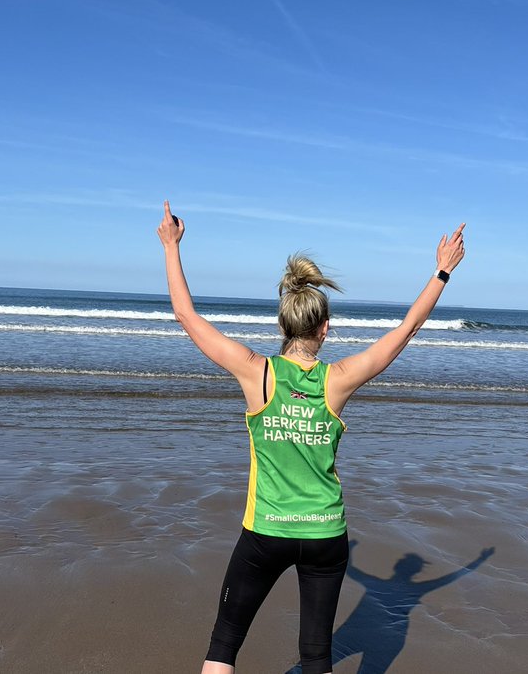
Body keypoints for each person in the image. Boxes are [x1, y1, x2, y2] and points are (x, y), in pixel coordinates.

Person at [156, 201, 465, 674]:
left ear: (283, 326)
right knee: (316, 655)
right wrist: (441, 272)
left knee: (224, 646)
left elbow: (185, 314)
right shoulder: (337, 379)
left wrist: (171, 246)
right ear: (325, 329)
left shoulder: (255, 373)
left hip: (265, 534)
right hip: (325, 536)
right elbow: (405, 331)